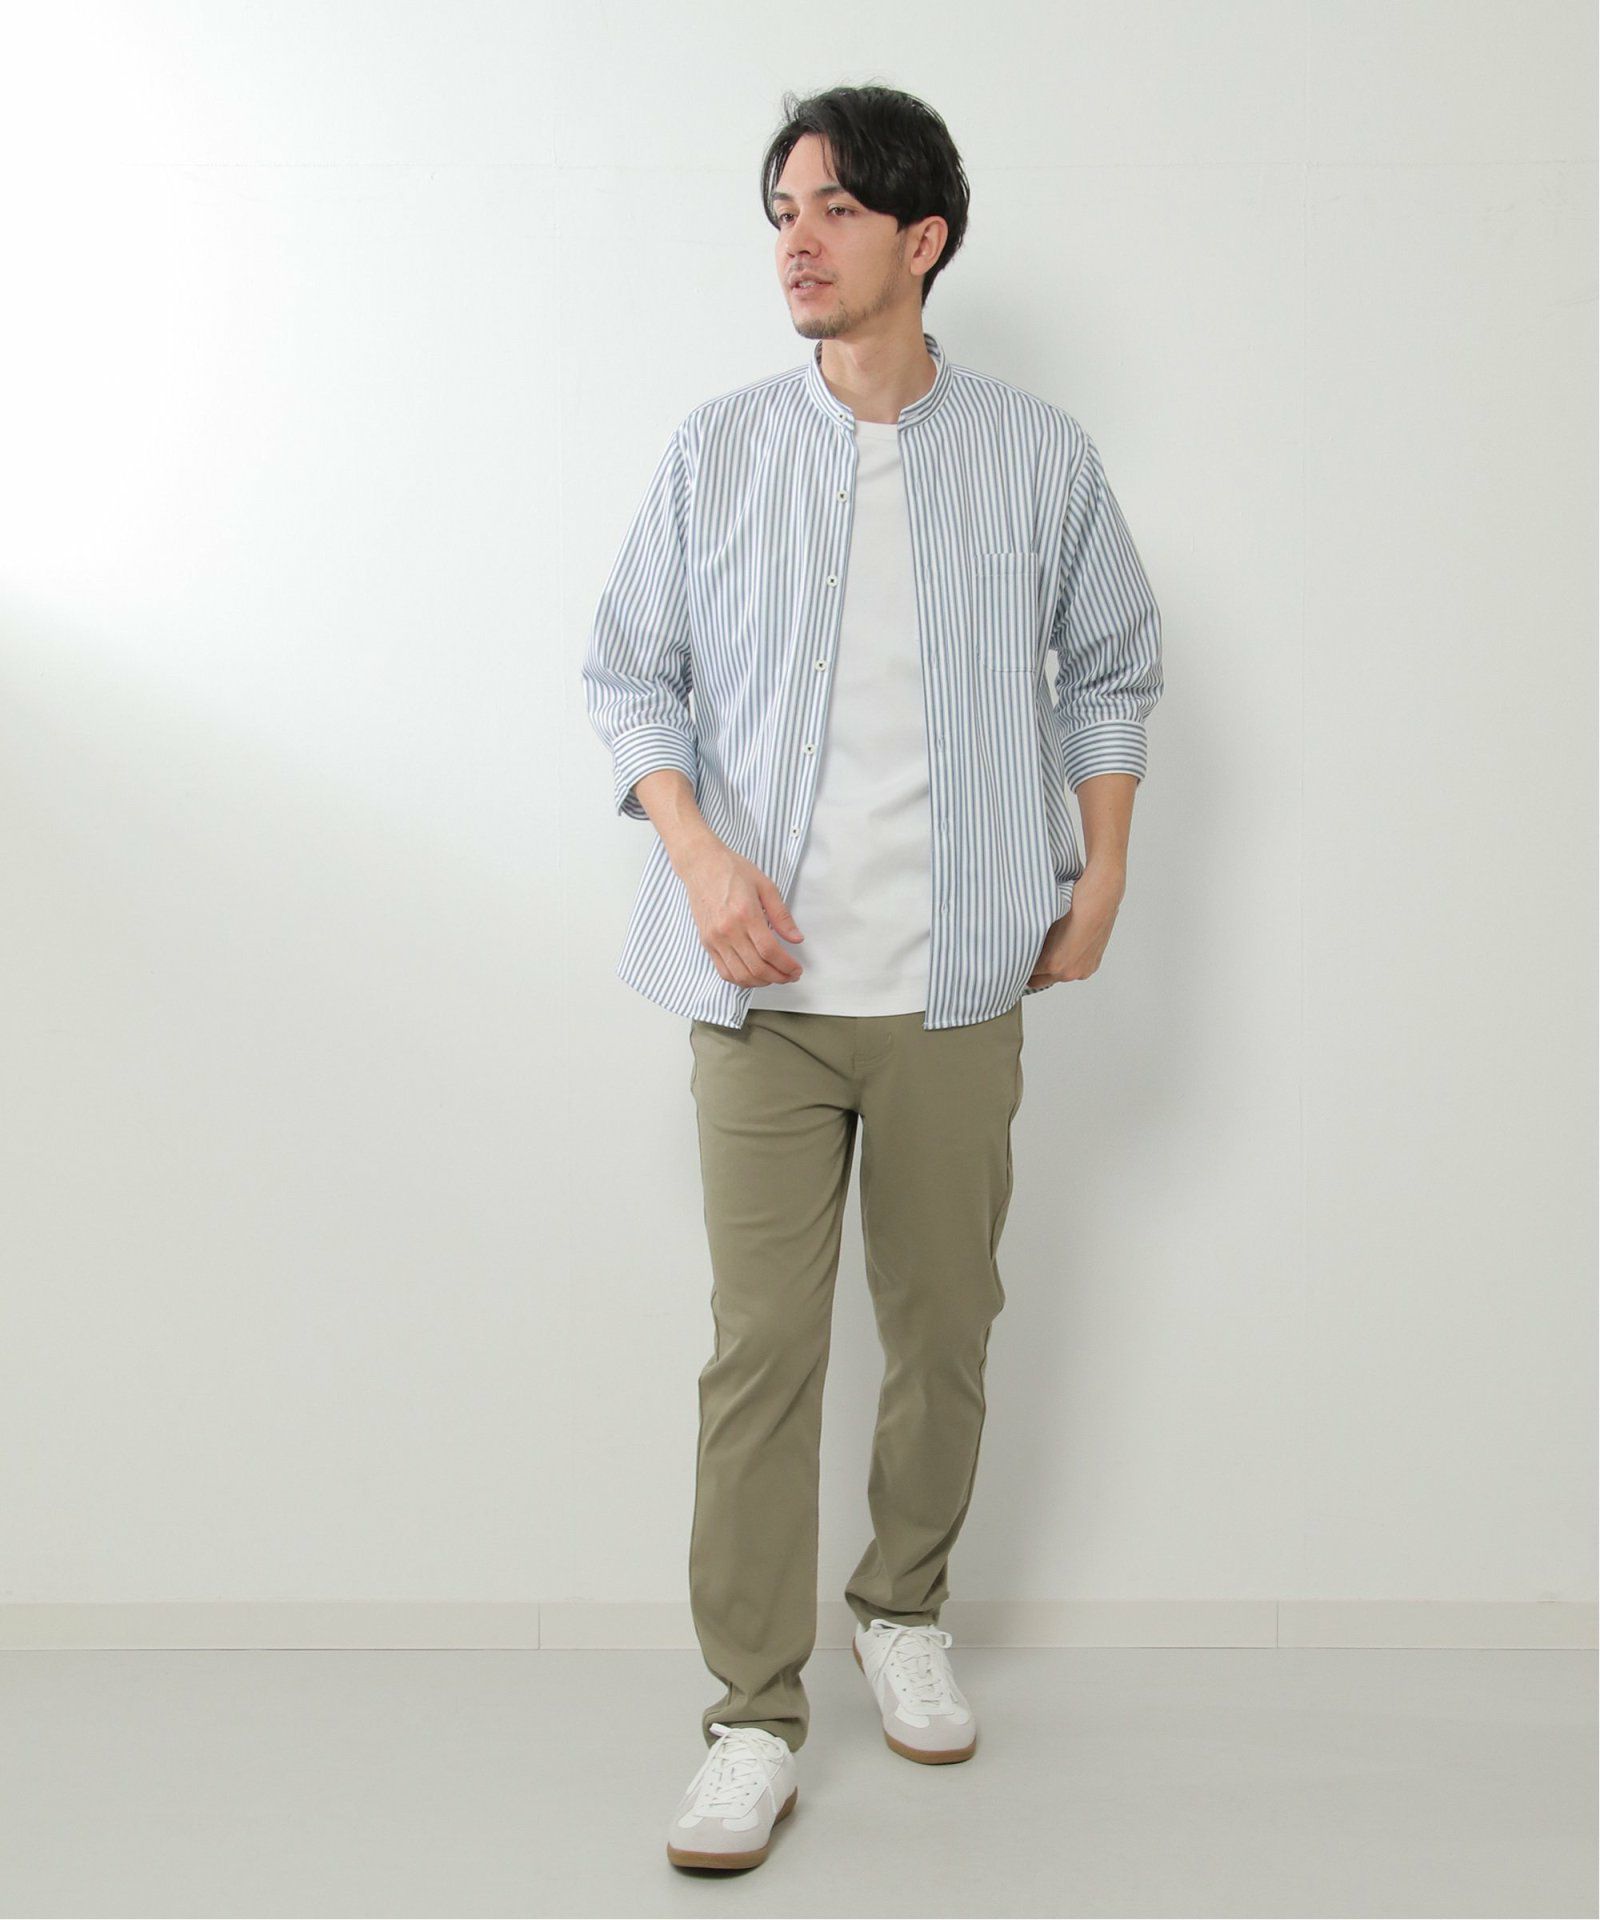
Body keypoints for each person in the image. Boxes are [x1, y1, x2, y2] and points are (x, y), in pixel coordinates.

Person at [581, 82, 1164, 1874]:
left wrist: (1104, 865)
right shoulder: (718, 451)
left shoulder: (1038, 456)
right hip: (759, 994)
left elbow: (1112, 665)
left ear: (923, 238)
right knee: (760, 1353)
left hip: (957, 981)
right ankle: (751, 1718)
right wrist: (699, 856)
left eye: (832, 210)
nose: (797, 243)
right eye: (782, 212)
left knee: (946, 1328)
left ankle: (902, 1604)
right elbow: (628, 675)